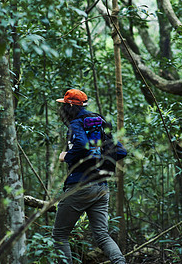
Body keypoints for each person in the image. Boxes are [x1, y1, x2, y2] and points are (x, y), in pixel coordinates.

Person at [52, 89, 127, 264]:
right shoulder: (100, 122)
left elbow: (83, 146)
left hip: (80, 186)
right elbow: (121, 151)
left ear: (70, 106)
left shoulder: (76, 124)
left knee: (59, 235)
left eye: (63, 105)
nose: (61, 108)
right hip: (101, 187)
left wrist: (67, 156)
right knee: (102, 235)